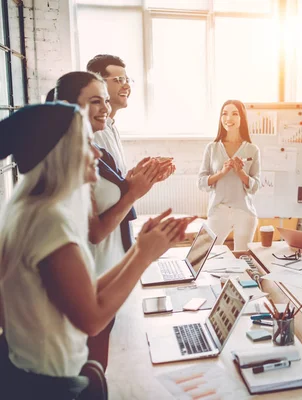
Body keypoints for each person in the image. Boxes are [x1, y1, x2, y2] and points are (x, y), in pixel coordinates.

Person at [0, 103, 193, 399]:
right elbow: (91, 319)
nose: (98, 154)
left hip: (28, 374)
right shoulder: (49, 221)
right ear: (59, 151)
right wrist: (143, 257)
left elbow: (84, 294)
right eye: (86, 143)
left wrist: (140, 248)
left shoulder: (27, 207)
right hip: (48, 387)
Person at [53, 71, 163, 370]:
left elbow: (111, 194)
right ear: (70, 107)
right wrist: (133, 195)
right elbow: (94, 231)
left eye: (105, 101)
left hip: (108, 268)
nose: (105, 108)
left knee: (103, 366)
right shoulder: (69, 161)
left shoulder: (96, 152)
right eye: (95, 101)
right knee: (94, 365)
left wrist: (134, 182)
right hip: (94, 272)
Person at [86, 54, 175, 178]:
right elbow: (107, 190)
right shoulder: (94, 131)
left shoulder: (111, 127)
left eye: (127, 80)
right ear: (98, 85)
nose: (127, 86)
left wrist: (145, 173)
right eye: (119, 80)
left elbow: (117, 178)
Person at [197, 100, 261, 251]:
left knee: (243, 259)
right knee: (204, 253)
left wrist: (240, 172)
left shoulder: (252, 150)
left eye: (234, 113)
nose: (228, 118)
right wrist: (221, 173)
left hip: (244, 212)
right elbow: (201, 182)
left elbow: (255, 187)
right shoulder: (211, 148)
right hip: (218, 209)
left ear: (242, 118)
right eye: (224, 114)